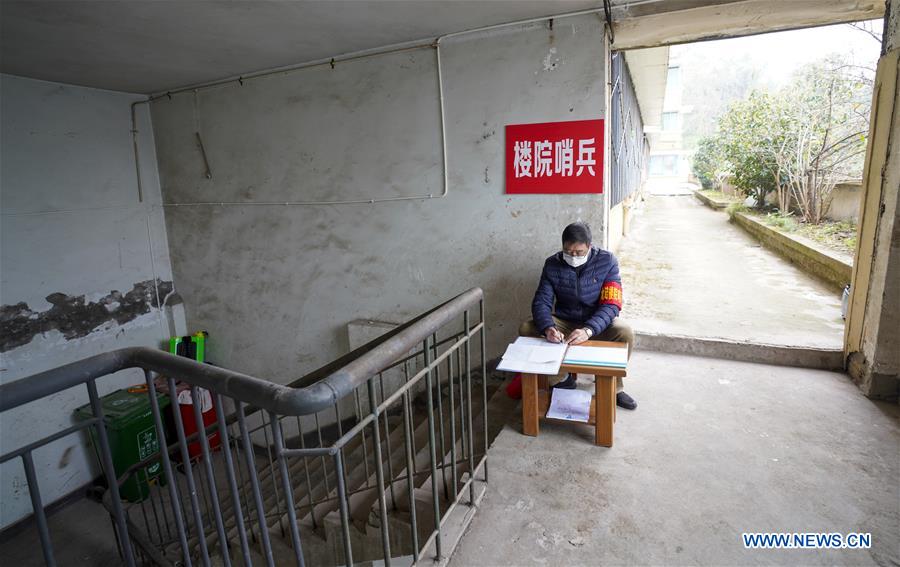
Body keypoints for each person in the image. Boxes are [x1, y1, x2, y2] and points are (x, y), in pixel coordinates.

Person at [518, 222, 637, 410]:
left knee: (625, 332)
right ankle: (559, 379)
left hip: (596, 322)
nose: (573, 257)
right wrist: (548, 327)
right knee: (527, 328)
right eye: (568, 251)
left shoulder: (607, 261)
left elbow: (611, 304)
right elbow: (542, 301)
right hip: (564, 321)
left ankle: (615, 387)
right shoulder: (552, 264)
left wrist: (589, 330)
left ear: (589, 246)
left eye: (579, 252)